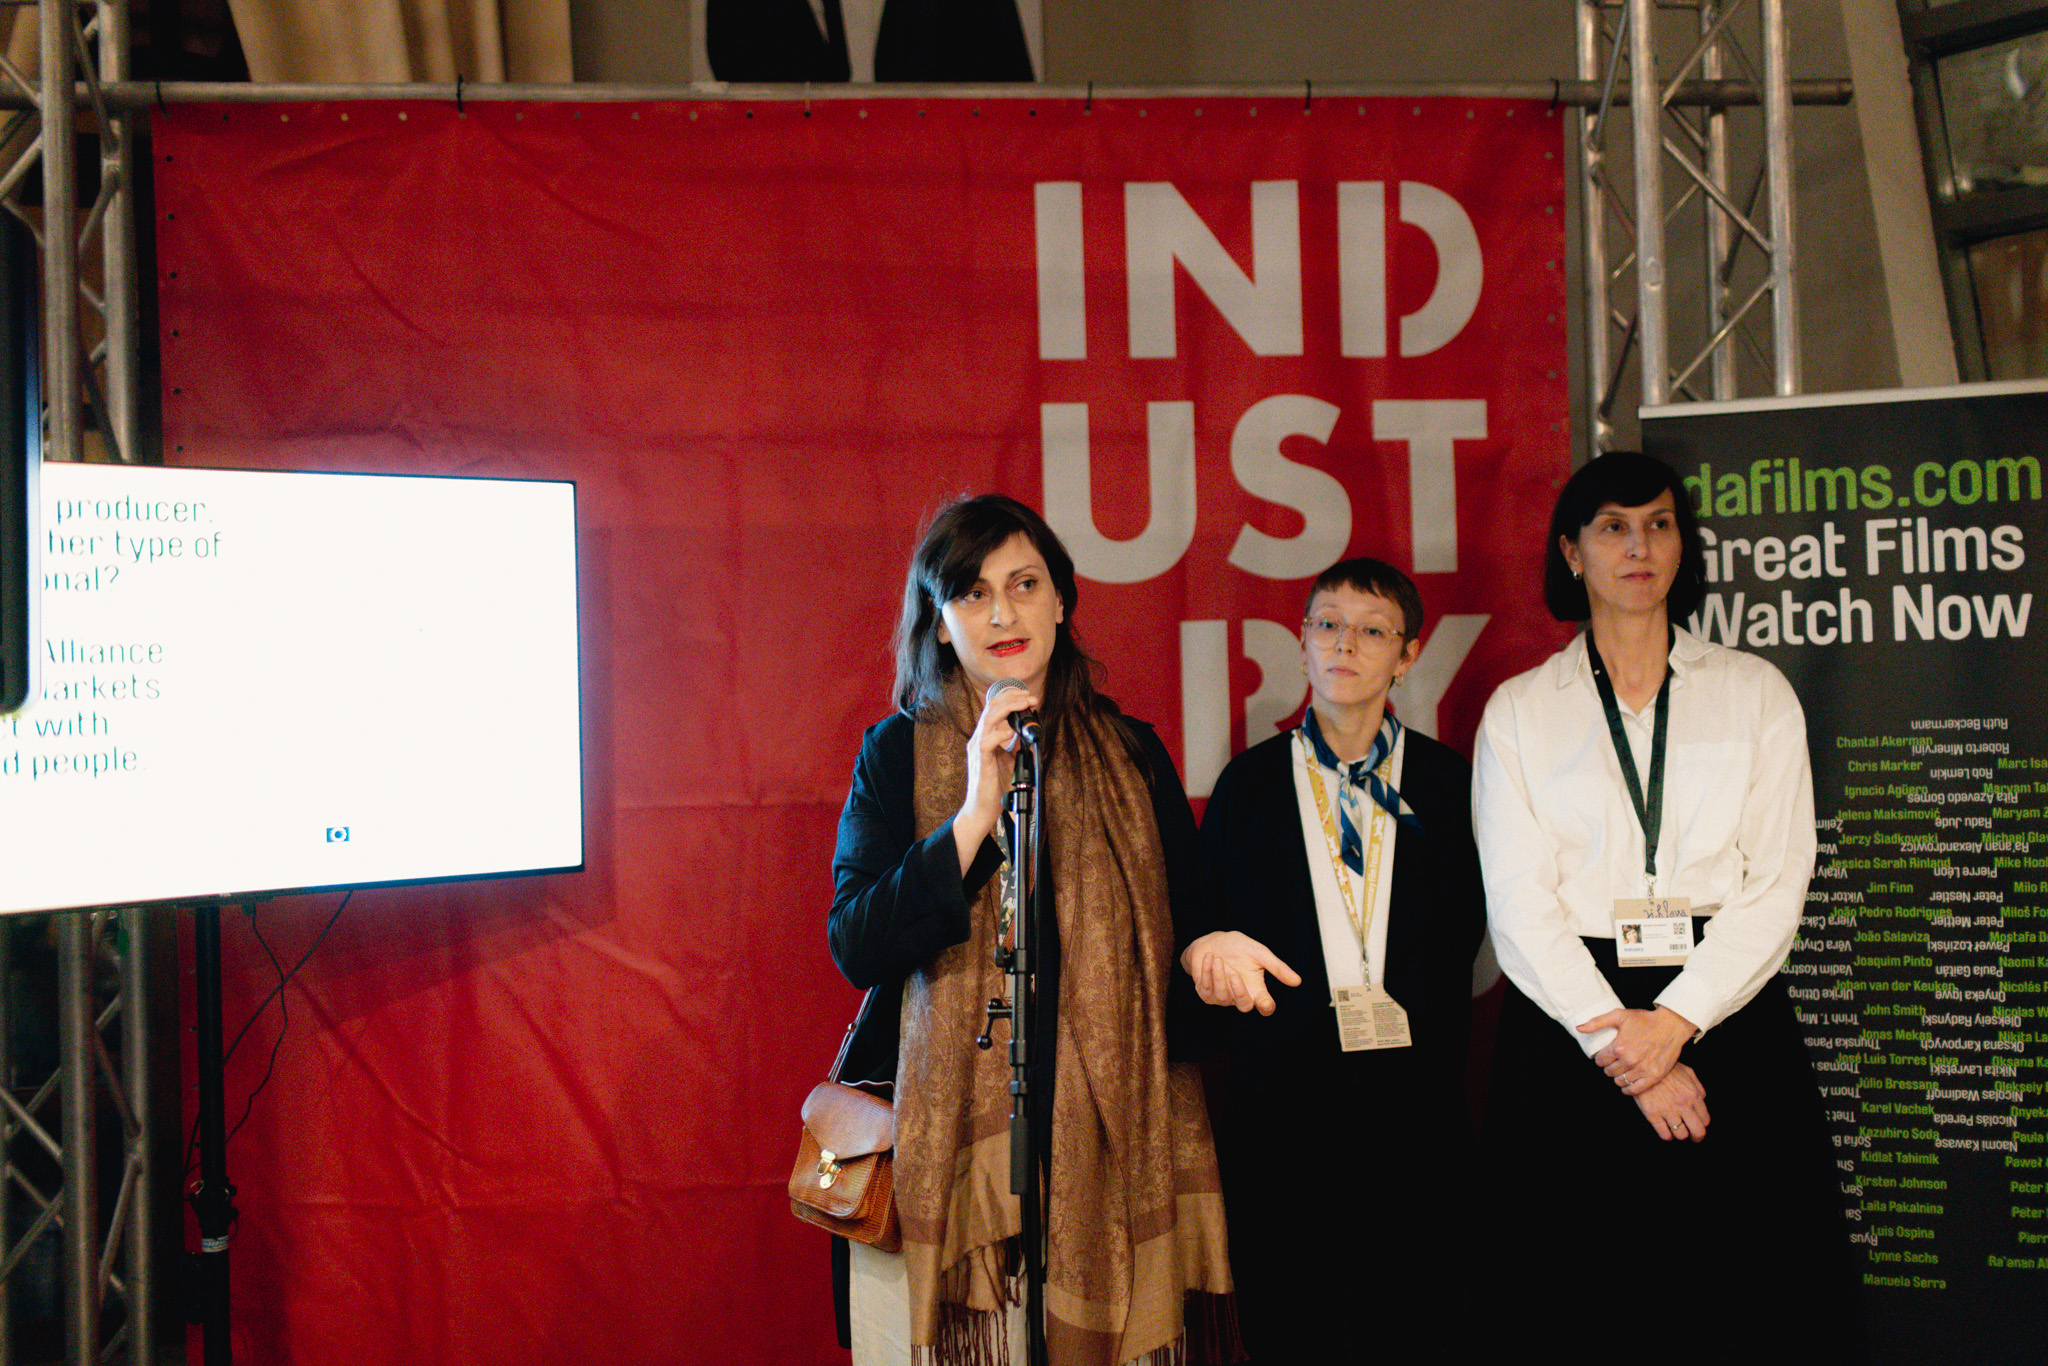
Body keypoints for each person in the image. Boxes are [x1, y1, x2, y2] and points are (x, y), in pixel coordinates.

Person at [827, 494, 1234, 1366]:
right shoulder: (894, 753)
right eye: (973, 593)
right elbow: (857, 943)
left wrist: (1211, 948)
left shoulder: (1132, 753)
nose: (1004, 614)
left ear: (1061, 601)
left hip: (1112, 1146)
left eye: (1024, 584)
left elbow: (1190, 930)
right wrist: (975, 812)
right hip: (954, 1160)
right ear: (940, 625)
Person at [1472, 452, 1855, 1362]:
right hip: (1575, 1027)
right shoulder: (1520, 711)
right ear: (1573, 553)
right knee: (1579, 1297)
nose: (1638, 547)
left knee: (1747, 1293)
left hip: (1725, 1013)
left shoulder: (1755, 692)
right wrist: (1631, 1055)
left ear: (1683, 546)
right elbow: (1519, 906)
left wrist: (1676, 1023)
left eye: (1659, 524)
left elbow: (1779, 879)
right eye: (1613, 527)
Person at [1183, 557, 1486, 1363]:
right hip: (1285, 1114)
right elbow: (1207, 927)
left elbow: (1470, 929)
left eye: (1372, 631)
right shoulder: (1249, 785)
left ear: (1407, 655)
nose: (1345, 645)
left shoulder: (1448, 785)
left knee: (1414, 1323)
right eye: (1328, 625)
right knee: (1293, 1325)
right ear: (1302, 643)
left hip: (1413, 1108)